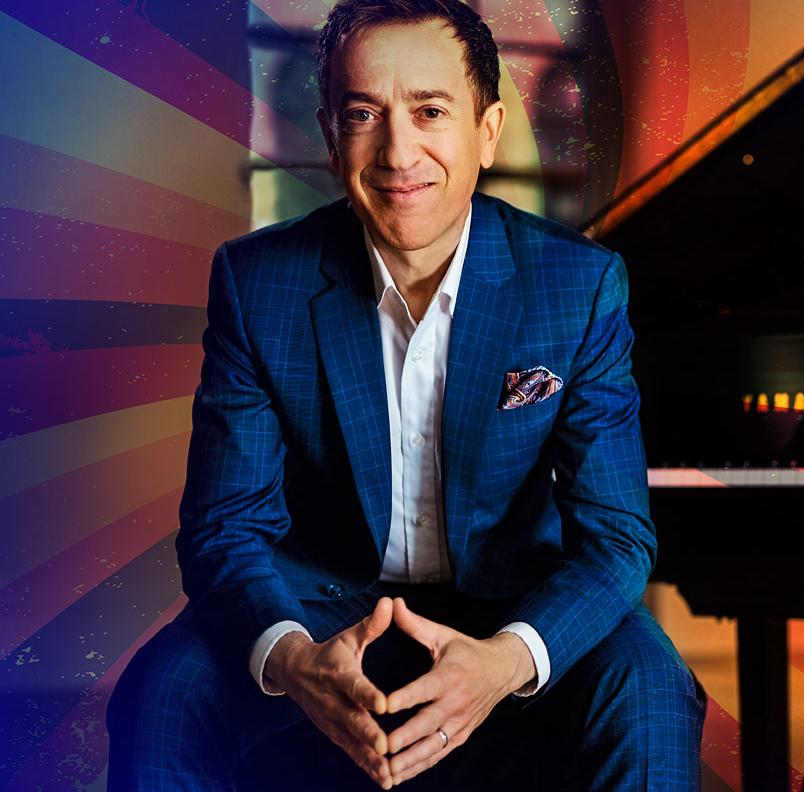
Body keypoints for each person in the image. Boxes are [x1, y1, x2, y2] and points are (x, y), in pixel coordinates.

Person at [105, 0, 705, 788]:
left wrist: (503, 661)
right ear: (330, 134)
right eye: (363, 113)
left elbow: (618, 538)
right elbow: (224, 529)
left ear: (488, 132)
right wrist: (292, 658)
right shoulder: (259, 284)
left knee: (651, 686)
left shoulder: (580, 285)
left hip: (510, 602)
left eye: (430, 111)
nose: (397, 150)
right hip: (319, 606)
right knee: (162, 691)